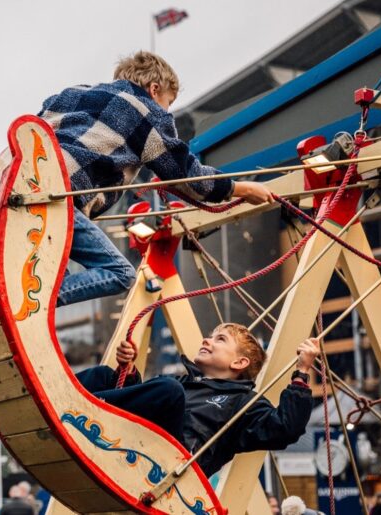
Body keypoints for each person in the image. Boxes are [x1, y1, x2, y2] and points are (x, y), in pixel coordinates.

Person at [38, 50, 273, 307]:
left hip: (29, 186)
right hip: (62, 199)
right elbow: (186, 175)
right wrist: (239, 188)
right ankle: (37, 304)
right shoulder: (145, 112)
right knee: (120, 274)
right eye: (168, 102)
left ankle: (40, 299)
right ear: (154, 89)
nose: (166, 111)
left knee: (52, 272)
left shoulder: (71, 93)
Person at [75, 323, 318, 477]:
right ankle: (67, 394)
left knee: (169, 391)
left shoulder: (242, 402)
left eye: (220, 339)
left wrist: (302, 372)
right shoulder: (185, 383)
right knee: (105, 375)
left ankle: (83, 406)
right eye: (211, 336)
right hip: (143, 442)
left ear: (239, 363)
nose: (206, 340)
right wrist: (127, 373)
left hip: (175, 465)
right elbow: (140, 399)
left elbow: (285, 428)